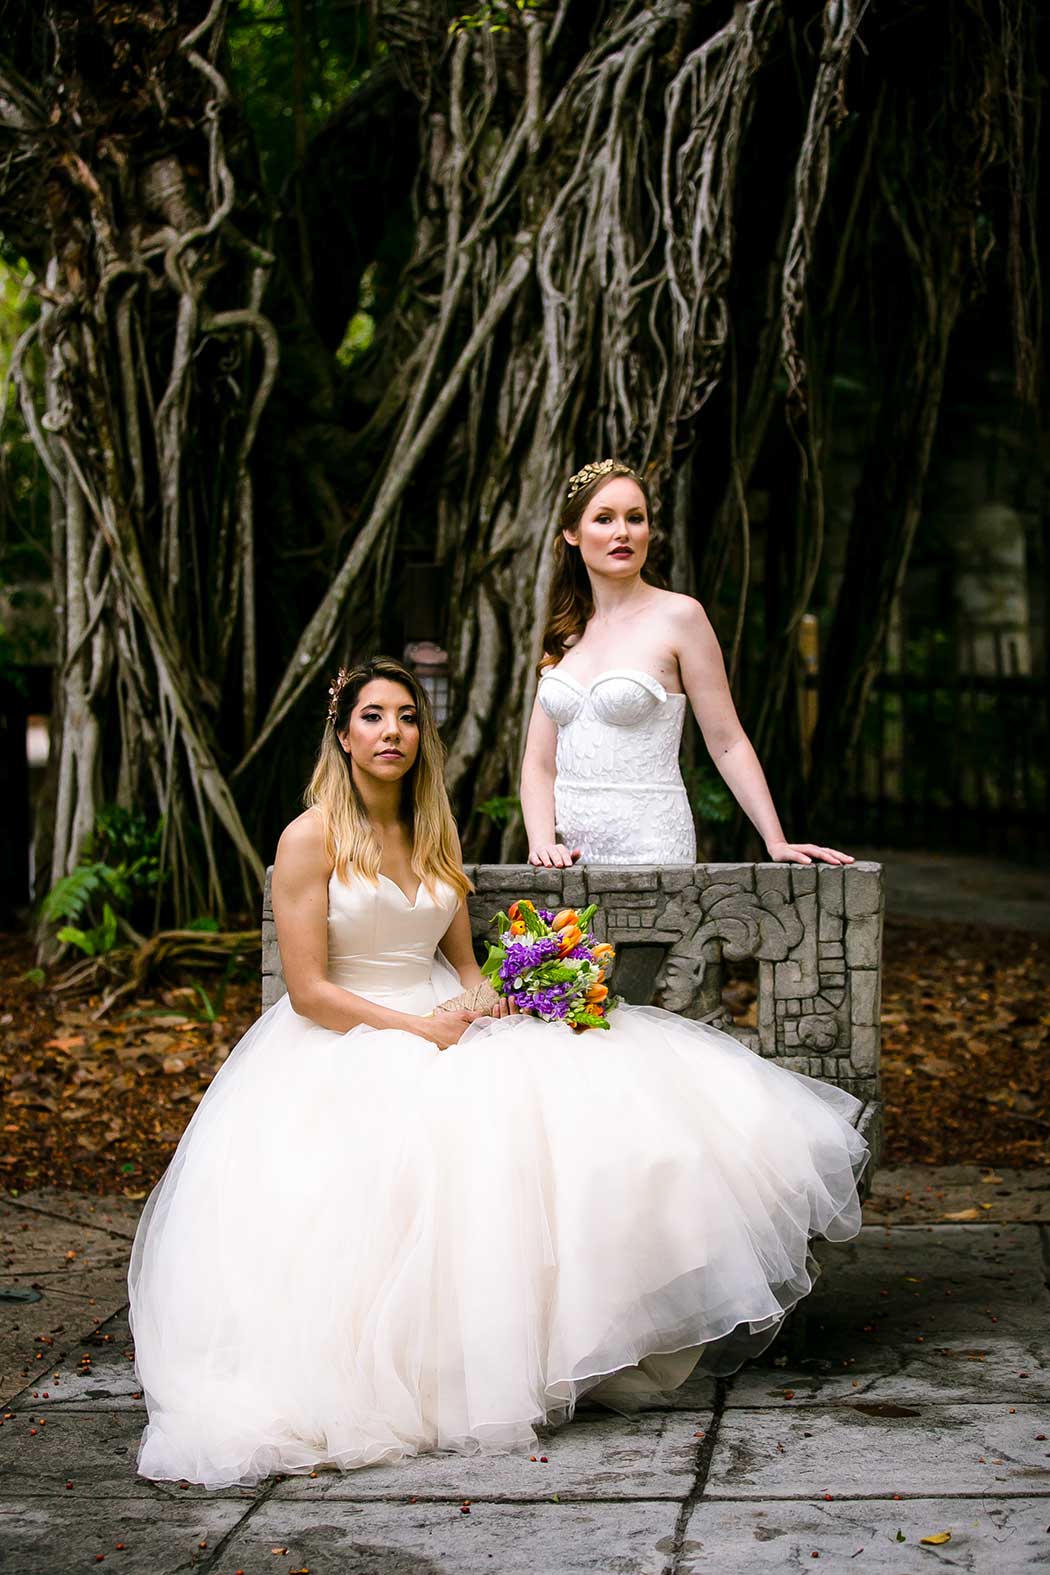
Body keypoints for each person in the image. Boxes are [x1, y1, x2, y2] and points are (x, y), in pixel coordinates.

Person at [128, 655, 867, 1490]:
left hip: (446, 1018)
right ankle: (420, 1372)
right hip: (353, 1033)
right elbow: (310, 991)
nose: (392, 733)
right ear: (342, 733)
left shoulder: (431, 830)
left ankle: (569, 1340)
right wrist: (418, 1028)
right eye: (373, 716)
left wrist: (520, 991)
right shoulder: (310, 837)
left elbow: (465, 967)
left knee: (604, 1087)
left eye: (407, 717)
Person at [521, 457, 855, 868]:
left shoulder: (680, 618)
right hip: (567, 858)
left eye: (636, 518)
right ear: (573, 533)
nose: (622, 532)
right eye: (604, 519)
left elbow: (727, 740)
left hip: (652, 848)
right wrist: (541, 842)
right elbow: (538, 763)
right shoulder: (565, 630)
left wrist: (775, 839)